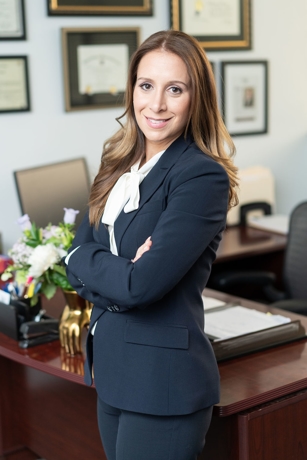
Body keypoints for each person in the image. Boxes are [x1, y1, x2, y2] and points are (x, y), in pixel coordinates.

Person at [64, 29, 238, 460]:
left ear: (196, 98)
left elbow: (142, 285)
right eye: (146, 85)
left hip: (163, 386)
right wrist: (105, 265)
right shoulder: (117, 163)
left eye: (174, 89)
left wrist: (100, 266)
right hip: (112, 371)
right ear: (132, 89)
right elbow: (74, 257)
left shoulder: (200, 177)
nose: (156, 104)